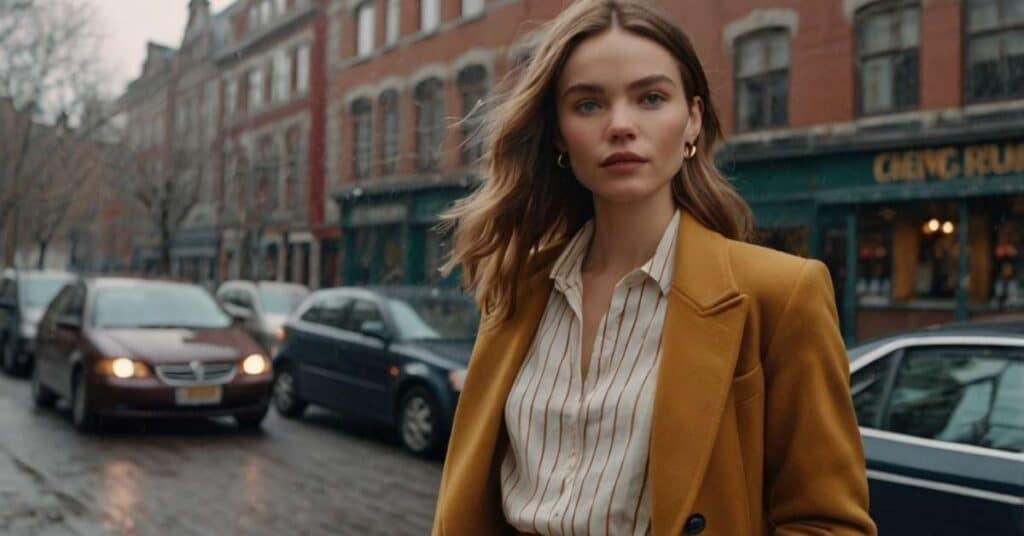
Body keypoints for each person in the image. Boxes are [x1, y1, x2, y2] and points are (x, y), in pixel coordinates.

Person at [432, 1, 875, 534]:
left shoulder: (780, 294)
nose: (621, 125)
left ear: (692, 119)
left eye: (650, 98)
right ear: (557, 133)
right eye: (588, 104)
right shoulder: (517, 287)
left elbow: (828, 522)